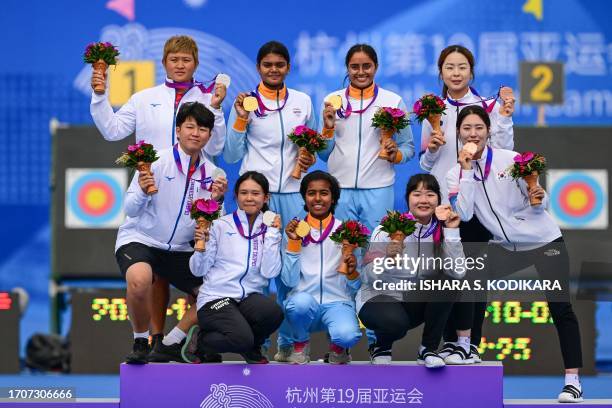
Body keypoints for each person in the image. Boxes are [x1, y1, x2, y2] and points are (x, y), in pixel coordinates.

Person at [91, 35, 228, 346]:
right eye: (174, 59)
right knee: (148, 275)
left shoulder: (209, 99)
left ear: (196, 63)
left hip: (192, 194)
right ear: (164, 62)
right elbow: (111, 129)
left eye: (186, 60)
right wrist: (100, 95)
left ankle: (184, 341)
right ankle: (151, 338)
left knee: (207, 281)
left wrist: (217, 109)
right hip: (152, 189)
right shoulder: (144, 98)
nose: (180, 65)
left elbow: (217, 146)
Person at [446, 105, 583, 402]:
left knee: (561, 308)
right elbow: (465, 213)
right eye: (467, 128)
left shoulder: (511, 161)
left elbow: (539, 202)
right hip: (507, 248)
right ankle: (468, 346)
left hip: (545, 242)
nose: (473, 134)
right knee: (470, 275)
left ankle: (572, 381)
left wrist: (539, 197)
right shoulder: (454, 174)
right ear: (458, 132)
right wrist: (467, 171)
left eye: (479, 128)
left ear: (488, 131)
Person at [419, 44, 515, 361]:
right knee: (444, 275)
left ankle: (471, 343)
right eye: (449, 67)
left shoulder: (486, 106)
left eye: (462, 67)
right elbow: (424, 164)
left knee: (473, 275)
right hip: (443, 203)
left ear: (471, 71)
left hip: (480, 200)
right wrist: (433, 149)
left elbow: (504, 149)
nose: (456, 73)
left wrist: (504, 118)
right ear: (441, 72)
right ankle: (448, 342)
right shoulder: (431, 109)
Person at [223, 40, 317, 361]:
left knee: (291, 273)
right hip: (256, 200)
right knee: (254, 274)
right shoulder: (245, 103)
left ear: (288, 67)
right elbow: (232, 154)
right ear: (258, 68)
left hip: (293, 196)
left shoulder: (303, 102)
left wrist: (308, 156)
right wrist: (239, 120)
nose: (273, 70)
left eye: (279, 64)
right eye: (267, 65)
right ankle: (256, 343)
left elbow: (312, 146)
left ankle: (289, 343)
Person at [115, 102, 227, 364]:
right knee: (139, 280)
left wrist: (217, 202)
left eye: (202, 129)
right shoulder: (155, 161)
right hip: (142, 239)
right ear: (178, 130)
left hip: (180, 249)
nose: (195, 133)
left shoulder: (213, 174)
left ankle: (172, 342)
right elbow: (130, 209)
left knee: (218, 293)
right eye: (189, 126)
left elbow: (215, 224)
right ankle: (141, 340)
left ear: (209, 136)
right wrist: (142, 190)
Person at [358, 174, 466, 368]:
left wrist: (451, 232)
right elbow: (367, 276)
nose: (424, 200)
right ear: (407, 198)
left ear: (438, 200)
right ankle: (381, 345)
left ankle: (428, 349)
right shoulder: (386, 229)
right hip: (379, 297)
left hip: (413, 299)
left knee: (450, 283)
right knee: (394, 323)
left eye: (430, 194)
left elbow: (458, 273)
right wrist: (387, 260)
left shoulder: (442, 230)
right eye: (417, 194)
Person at [319, 43, 415, 234]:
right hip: (339, 189)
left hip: (378, 189)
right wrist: (328, 130)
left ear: (376, 67)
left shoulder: (393, 101)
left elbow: (408, 147)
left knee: (376, 252)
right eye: (355, 67)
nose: (361, 72)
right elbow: (324, 154)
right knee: (342, 252)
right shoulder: (332, 101)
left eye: (367, 66)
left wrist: (394, 155)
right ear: (347, 68)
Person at [190, 171, 284, 364]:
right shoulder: (219, 225)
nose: (249, 198)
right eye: (244, 193)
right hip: (216, 298)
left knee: (273, 313)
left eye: (256, 193)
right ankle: (200, 342)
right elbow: (197, 271)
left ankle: (251, 347)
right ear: (236, 196)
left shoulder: (269, 229)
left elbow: (270, 272)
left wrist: (273, 236)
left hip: (247, 298)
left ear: (266, 197)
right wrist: (200, 247)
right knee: (241, 338)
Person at [282, 171, 362, 364]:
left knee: (348, 335)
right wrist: (293, 244)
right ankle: (300, 343)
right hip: (304, 301)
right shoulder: (294, 231)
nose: (317, 198)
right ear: (304, 197)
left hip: (337, 302)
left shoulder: (347, 231)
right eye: (311, 193)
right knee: (298, 304)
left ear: (333, 198)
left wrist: (352, 273)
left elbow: (356, 285)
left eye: (324, 193)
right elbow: (288, 281)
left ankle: (338, 348)